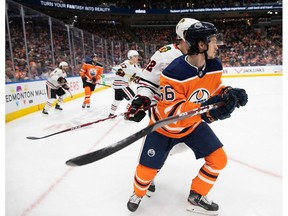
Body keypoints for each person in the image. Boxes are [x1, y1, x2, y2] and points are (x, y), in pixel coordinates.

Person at [127, 21, 248, 215]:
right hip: (165, 126)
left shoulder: (213, 64)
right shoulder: (172, 67)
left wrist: (227, 92)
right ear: (200, 43)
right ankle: (139, 191)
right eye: (214, 41)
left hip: (192, 124)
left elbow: (212, 88)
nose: (218, 46)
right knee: (147, 170)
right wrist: (141, 98)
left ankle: (196, 196)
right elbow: (170, 110)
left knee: (218, 159)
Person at [108, 50, 140, 117]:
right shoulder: (126, 63)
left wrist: (136, 79)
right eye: (135, 56)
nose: (137, 58)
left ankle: (111, 113)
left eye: (137, 56)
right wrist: (119, 71)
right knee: (133, 99)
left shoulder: (135, 66)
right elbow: (114, 69)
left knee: (117, 100)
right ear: (131, 57)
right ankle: (127, 113)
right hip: (121, 85)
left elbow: (137, 76)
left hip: (119, 86)